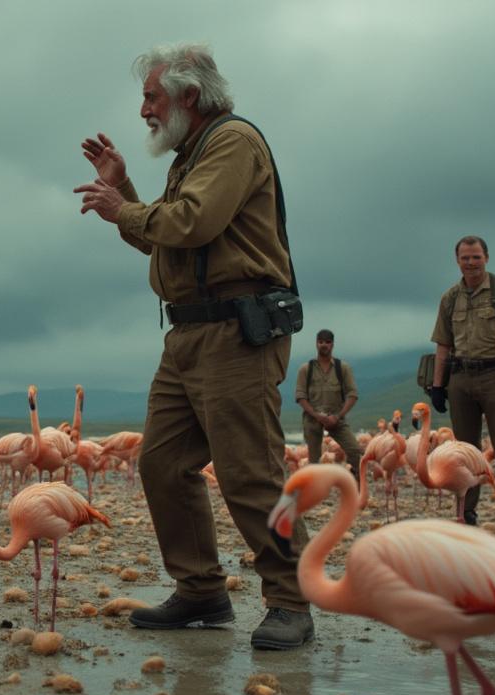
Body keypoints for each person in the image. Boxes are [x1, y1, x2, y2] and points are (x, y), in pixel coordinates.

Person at [74, 43, 312, 649]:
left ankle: (291, 599)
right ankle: (202, 589)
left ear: (189, 95)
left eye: (151, 97)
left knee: (248, 472)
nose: (144, 109)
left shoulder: (233, 142)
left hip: (235, 332)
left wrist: (122, 209)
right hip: (187, 336)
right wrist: (125, 188)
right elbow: (168, 238)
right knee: (161, 463)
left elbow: (192, 222)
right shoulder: (193, 153)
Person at [428, 235, 495, 537]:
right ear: (457, 260)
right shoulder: (450, 298)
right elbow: (443, 345)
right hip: (461, 378)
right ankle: (467, 515)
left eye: (476, 257)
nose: (471, 263)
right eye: (465, 258)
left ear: (486, 257)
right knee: (463, 452)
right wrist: (438, 386)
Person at [295, 329, 361, 477]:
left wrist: (338, 416)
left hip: (336, 417)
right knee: (314, 459)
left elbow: (352, 395)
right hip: (312, 419)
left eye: (327, 342)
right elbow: (300, 397)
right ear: (316, 344)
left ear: (332, 344)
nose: (324, 345)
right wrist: (317, 416)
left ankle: (356, 484)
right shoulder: (306, 369)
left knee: (355, 451)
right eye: (320, 342)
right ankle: (315, 491)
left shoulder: (342, 368)